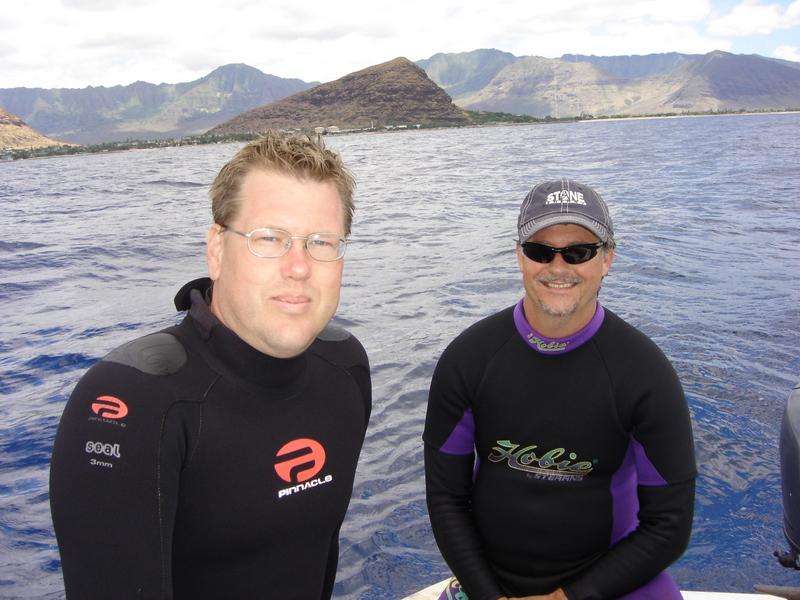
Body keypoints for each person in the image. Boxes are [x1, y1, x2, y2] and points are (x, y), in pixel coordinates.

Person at [49, 131, 371, 600]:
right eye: (270, 238)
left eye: (322, 242)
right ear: (217, 250)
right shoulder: (133, 401)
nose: (299, 267)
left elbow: (316, 560)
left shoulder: (344, 366)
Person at [424, 179, 696, 600]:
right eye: (539, 250)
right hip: (489, 584)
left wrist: (567, 599)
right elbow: (446, 498)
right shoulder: (469, 359)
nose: (558, 266)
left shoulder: (645, 373)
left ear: (607, 259)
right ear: (519, 257)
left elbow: (670, 525)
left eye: (579, 252)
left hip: (609, 584)